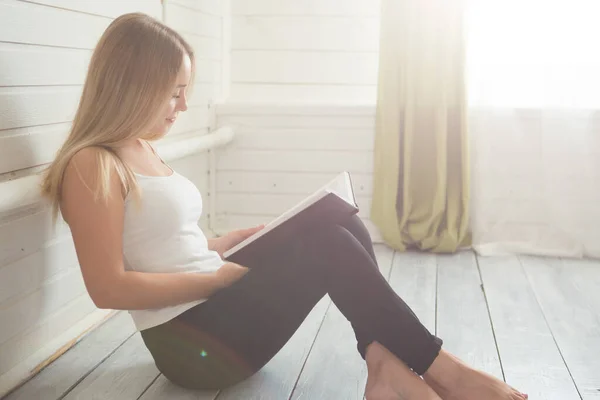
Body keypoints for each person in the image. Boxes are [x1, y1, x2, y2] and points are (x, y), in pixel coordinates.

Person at [40, 13, 528, 400]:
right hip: (191, 347)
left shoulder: (141, 148)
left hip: (211, 306)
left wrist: (222, 245)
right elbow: (108, 286)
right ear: (133, 85)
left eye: (184, 91)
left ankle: (385, 368)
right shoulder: (92, 163)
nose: (182, 105)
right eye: (173, 91)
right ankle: (446, 371)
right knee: (327, 244)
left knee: (340, 219)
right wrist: (215, 277)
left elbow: (156, 247)